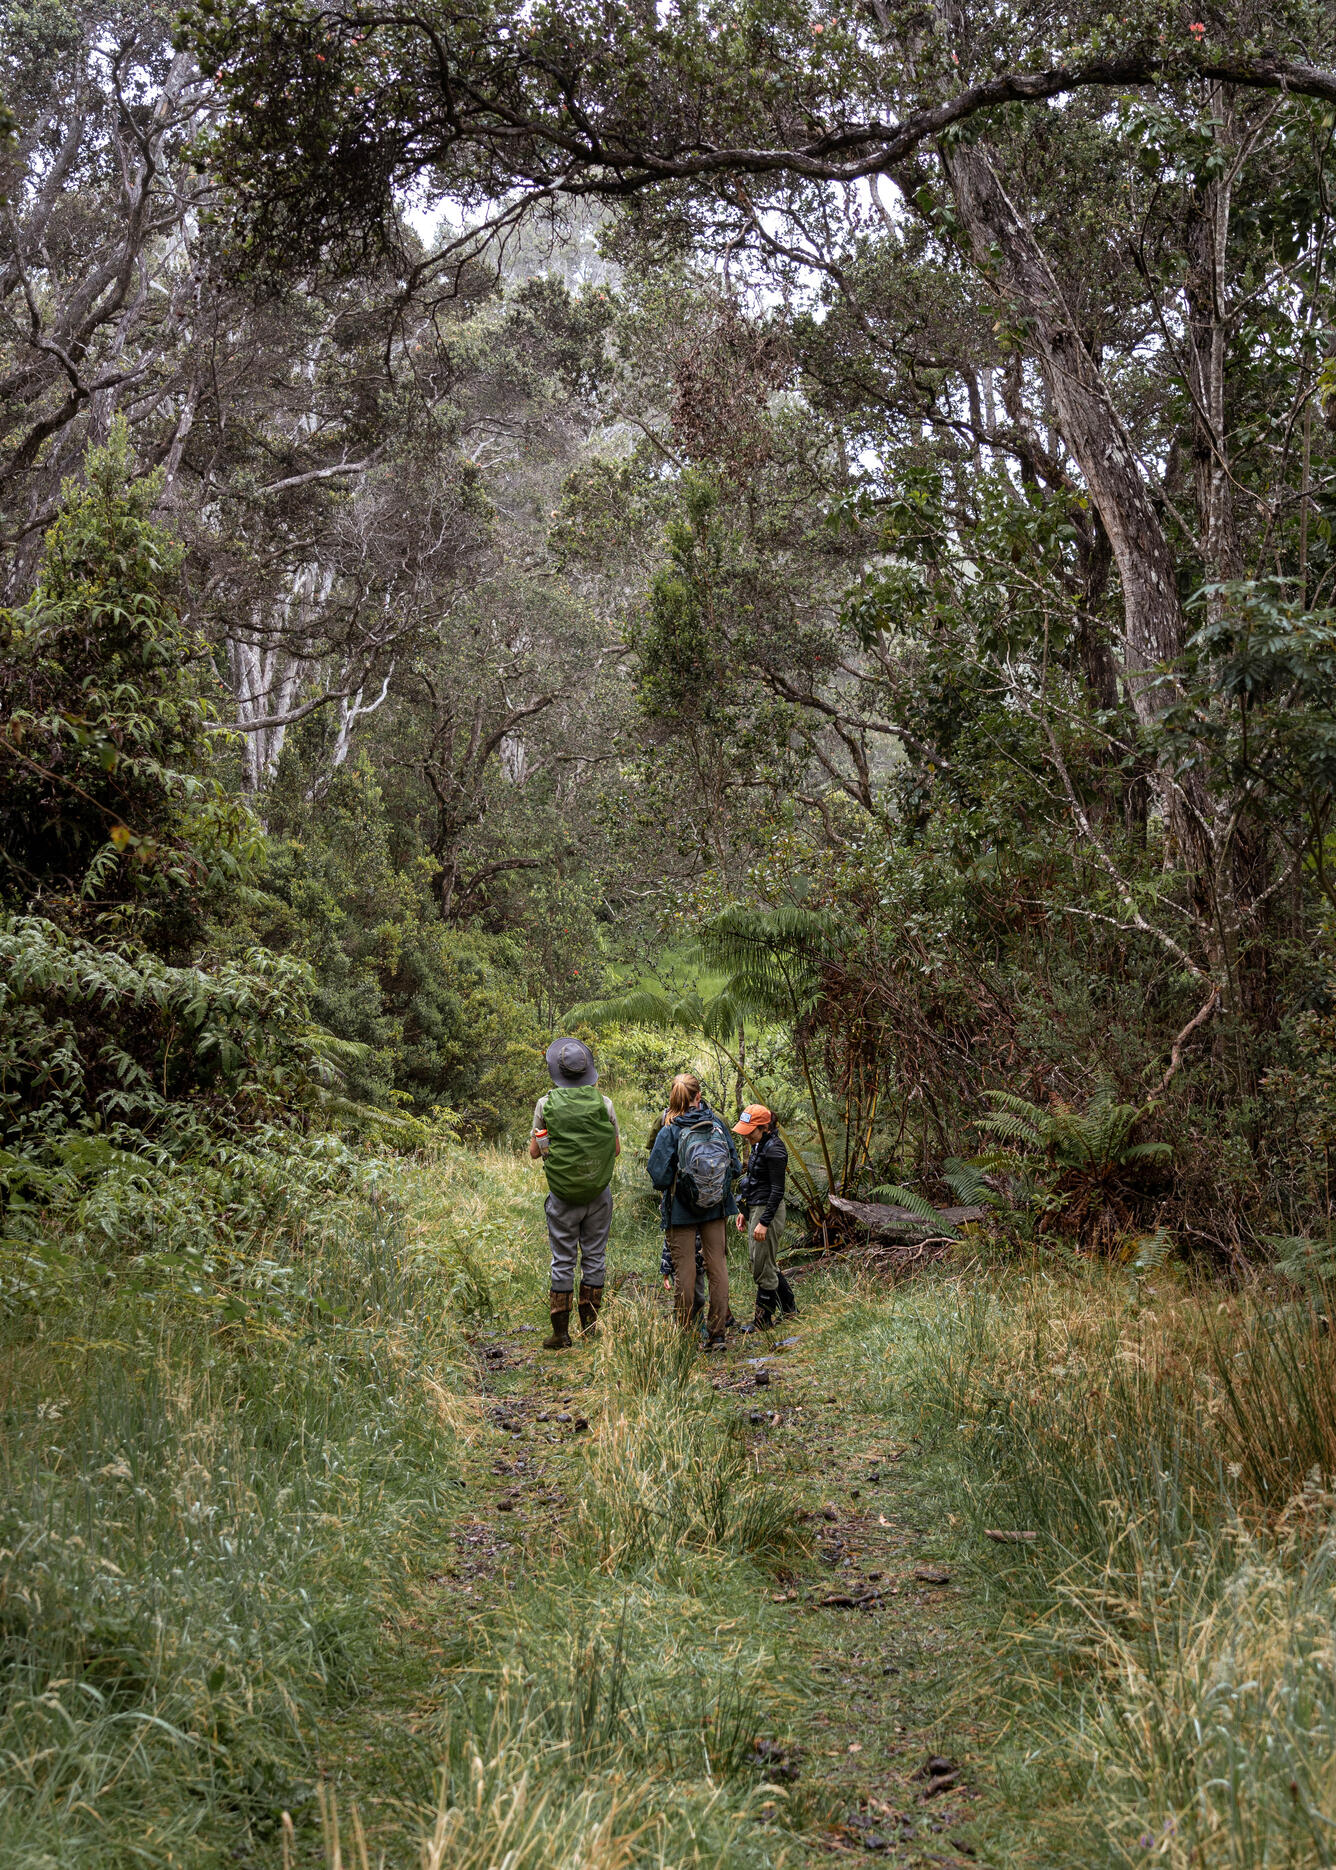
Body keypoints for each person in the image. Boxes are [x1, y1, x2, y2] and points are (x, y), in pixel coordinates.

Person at [529, 1036, 620, 1350]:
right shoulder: (604, 1103)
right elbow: (616, 1149)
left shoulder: (545, 1104)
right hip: (598, 1192)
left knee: (563, 1260)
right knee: (594, 1258)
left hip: (563, 1196)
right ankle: (591, 1330)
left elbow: (534, 1152)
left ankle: (561, 1334)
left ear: (557, 1071)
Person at [648, 1073, 741, 1352]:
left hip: (681, 1213)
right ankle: (717, 1335)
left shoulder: (670, 1131)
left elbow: (659, 1178)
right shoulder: (718, 1125)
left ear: (674, 1099)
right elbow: (735, 1167)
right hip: (716, 1208)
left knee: (685, 1273)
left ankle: (687, 1335)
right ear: (698, 1096)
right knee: (718, 1268)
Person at [733, 1104, 798, 1332]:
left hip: (768, 1211)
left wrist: (763, 1221)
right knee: (760, 1260)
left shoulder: (775, 1150)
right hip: (756, 1208)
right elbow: (754, 1181)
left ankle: (763, 1320)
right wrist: (745, 1211)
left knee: (761, 1265)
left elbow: (777, 1190)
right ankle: (789, 1308)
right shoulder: (760, 1144)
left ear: (764, 1127)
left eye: (750, 1131)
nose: (746, 1136)